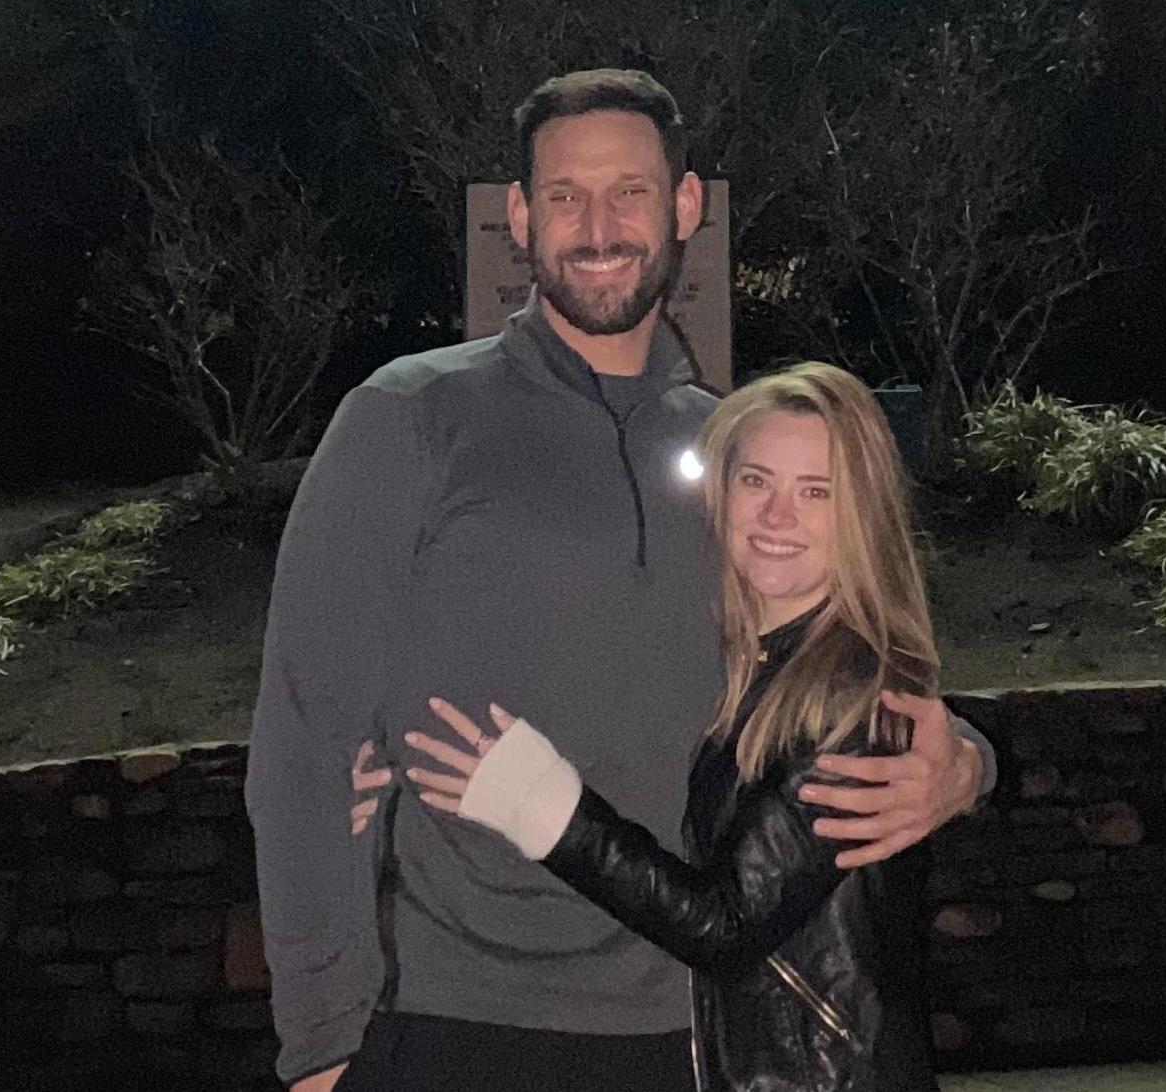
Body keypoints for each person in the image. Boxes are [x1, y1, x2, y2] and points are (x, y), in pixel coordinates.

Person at [247, 69, 988, 1092]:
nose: (598, 225)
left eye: (629, 191)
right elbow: (302, 736)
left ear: (684, 205)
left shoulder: (733, 454)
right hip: (454, 1017)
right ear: (518, 214)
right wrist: (323, 1031)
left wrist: (964, 760)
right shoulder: (406, 418)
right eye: (563, 194)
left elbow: (830, 646)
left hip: (695, 1023)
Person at [401, 363, 941, 1091]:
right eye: (756, 482)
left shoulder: (848, 697)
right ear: (719, 492)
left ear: (863, 512)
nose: (778, 517)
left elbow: (724, 926)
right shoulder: (746, 658)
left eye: (816, 492)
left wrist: (547, 810)